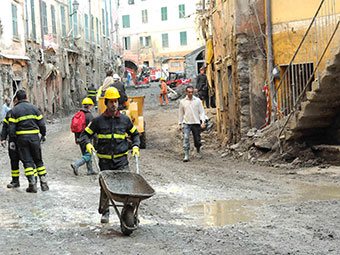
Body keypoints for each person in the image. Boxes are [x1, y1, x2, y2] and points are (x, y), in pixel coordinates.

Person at [79, 87, 140, 223]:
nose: (114, 105)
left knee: (126, 187)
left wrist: (135, 146)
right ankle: (105, 211)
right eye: (111, 102)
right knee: (106, 188)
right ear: (106, 103)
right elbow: (84, 136)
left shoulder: (125, 120)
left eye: (116, 101)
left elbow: (135, 134)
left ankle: (128, 211)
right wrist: (87, 144)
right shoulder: (98, 121)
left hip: (121, 161)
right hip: (105, 162)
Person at [8, 90, 49, 193]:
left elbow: (12, 128)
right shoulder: (34, 108)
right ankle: (43, 183)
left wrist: (12, 140)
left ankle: (32, 184)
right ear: (26, 97)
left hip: (22, 139)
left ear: (17, 99)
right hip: (35, 138)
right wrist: (43, 134)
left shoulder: (14, 111)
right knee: (38, 160)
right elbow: (42, 124)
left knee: (28, 161)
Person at [178, 85, 206, 162]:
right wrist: (180, 123)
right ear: (186, 92)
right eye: (189, 92)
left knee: (197, 139)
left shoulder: (197, 101)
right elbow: (181, 113)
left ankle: (198, 149)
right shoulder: (182, 102)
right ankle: (186, 155)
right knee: (186, 138)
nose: (190, 93)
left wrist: (203, 121)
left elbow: (202, 112)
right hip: (186, 123)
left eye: (192, 92)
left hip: (196, 122)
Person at [71, 97, 96, 176]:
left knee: (85, 154)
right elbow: (93, 129)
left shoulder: (78, 114)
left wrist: (77, 139)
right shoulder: (89, 116)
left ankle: (90, 170)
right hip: (86, 138)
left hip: (79, 138)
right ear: (89, 106)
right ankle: (76, 164)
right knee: (88, 154)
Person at [1, 100, 21, 188]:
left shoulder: (11, 111)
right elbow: (5, 126)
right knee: (23, 160)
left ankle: (17, 181)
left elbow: (5, 127)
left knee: (18, 161)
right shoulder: (10, 112)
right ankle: (32, 181)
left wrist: (3, 139)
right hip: (18, 140)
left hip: (19, 140)